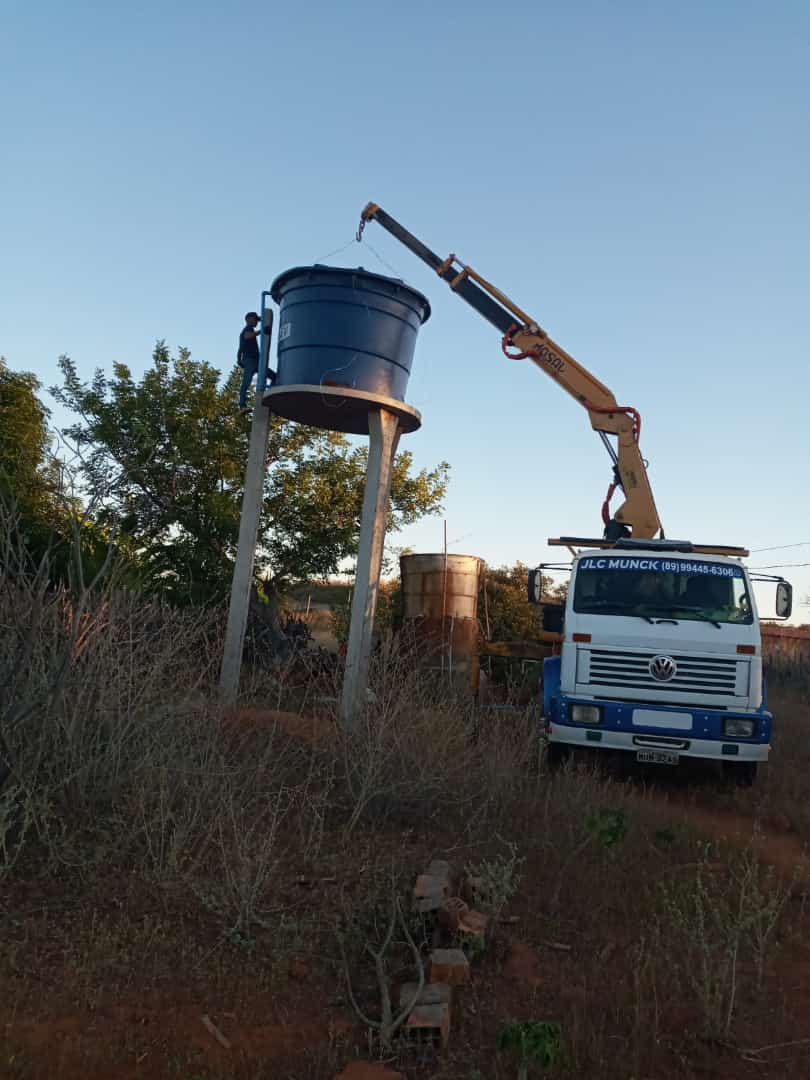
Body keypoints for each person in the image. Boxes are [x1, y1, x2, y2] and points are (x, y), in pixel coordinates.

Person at [237, 311, 261, 412]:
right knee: (246, 382)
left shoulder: (250, 330)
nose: (257, 322)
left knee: (271, 375)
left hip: (255, 361)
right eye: (255, 319)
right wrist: (261, 331)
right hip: (249, 360)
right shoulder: (247, 329)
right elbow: (247, 336)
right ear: (249, 319)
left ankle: (272, 391)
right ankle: (242, 406)